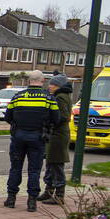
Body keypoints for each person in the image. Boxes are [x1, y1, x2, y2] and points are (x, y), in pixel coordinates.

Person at [3, 71, 60, 212]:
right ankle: (32, 201)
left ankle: (11, 198)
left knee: (15, 167)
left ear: (29, 81)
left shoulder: (18, 96)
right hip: (38, 137)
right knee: (34, 170)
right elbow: (56, 118)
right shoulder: (49, 98)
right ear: (43, 81)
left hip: (18, 136)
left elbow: (8, 116)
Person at [39, 72, 73, 205]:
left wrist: (50, 119)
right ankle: (48, 191)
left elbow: (63, 116)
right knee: (51, 164)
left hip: (58, 135)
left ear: (58, 86)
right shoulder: (61, 96)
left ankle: (59, 195)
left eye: (52, 84)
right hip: (56, 134)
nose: (49, 86)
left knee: (56, 164)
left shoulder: (60, 97)